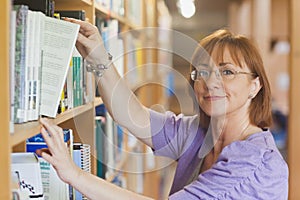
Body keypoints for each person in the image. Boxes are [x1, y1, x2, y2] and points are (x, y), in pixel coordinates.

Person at [36, 18, 289, 200]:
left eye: (227, 72)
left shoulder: (257, 163)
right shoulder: (198, 132)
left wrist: (74, 175)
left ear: (254, 86)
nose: (211, 82)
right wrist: (98, 57)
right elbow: (133, 116)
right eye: (202, 72)